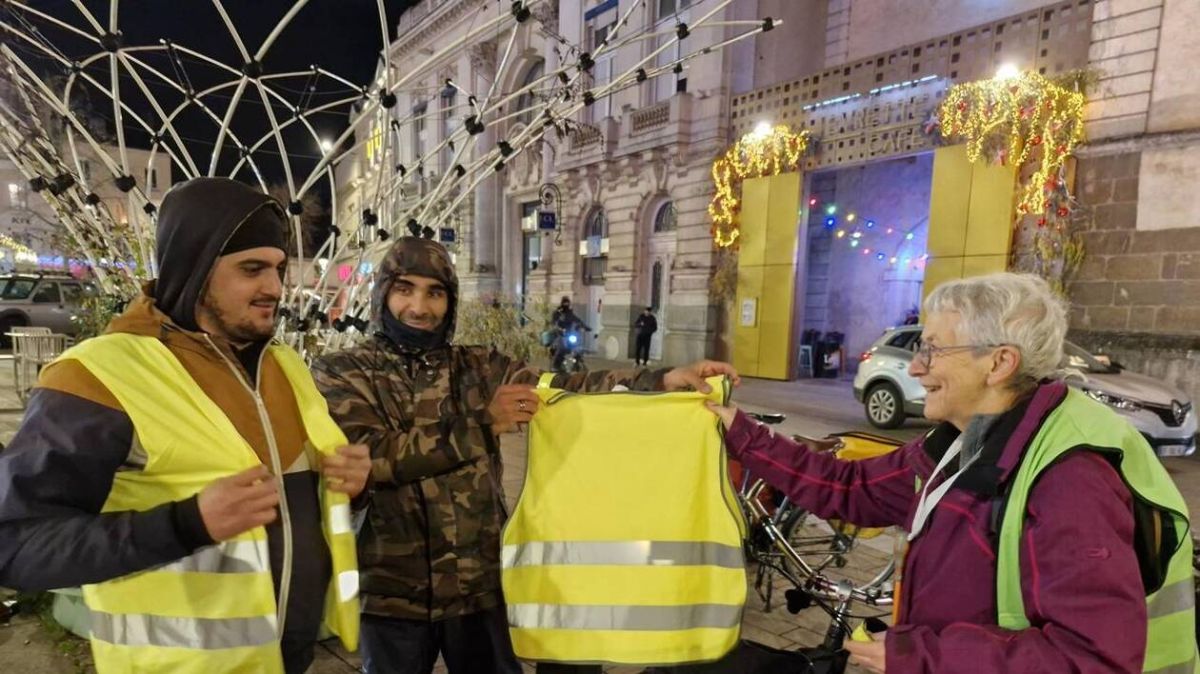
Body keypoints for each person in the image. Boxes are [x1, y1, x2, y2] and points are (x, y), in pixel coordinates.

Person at [707, 272, 1197, 674]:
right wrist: (742, 433)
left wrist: (920, 657)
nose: (916, 368)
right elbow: (852, 488)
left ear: (1000, 362)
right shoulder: (966, 440)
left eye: (933, 349)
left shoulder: (1070, 475)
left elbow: (1092, 659)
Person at [312, 236, 737, 674]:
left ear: (450, 301)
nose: (420, 307)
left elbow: (566, 391)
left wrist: (663, 379)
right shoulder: (341, 372)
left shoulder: (479, 366)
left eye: (434, 292)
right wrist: (481, 423)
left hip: (478, 586)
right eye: (405, 289)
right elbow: (374, 457)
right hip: (390, 592)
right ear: (383, 292)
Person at [0, 177, 371, 673]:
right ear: (193, 267)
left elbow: (299, 503)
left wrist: (353, 487)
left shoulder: (284, 365)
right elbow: (17, 544)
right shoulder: (97, 376)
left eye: (280, 268)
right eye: (252, 269)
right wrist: (184, 524)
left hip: (287, 658)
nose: (276, 289)